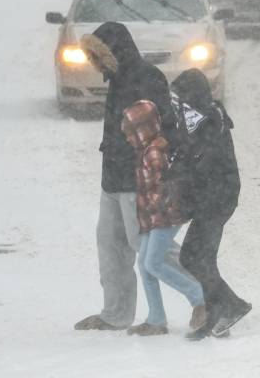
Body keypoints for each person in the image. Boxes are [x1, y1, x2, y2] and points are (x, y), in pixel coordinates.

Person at [73, 22, 185, 331]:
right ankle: (115, 314)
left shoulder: (147, 77)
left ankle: (212, 295)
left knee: (152, 248)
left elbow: (164, 129)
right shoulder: (117, 79)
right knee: (110, 245)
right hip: (112, 178)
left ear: (112, 53)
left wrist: (152, 169)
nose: (93, 64)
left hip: (137, 180)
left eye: (96, 57)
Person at [171, 69, 251, 340]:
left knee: (192, 256)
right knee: (200, 257)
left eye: (182, 95)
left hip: (217, 197)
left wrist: (177, 171)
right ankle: (218, 315)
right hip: (211, 197)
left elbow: (201, 162)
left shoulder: (208, 121)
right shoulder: (200, 118)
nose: (179, 101)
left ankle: (232, 306)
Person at [121, 100, 205, 336]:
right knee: (145, 265)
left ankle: (200, 298)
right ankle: (156, 319)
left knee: (153, 263)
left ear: (142, 130)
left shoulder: (155, 152)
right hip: (154, 219)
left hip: (166, 217)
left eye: (131, 133)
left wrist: (161, 211)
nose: (128, 139)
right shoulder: (145, 150)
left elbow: (167, 188)